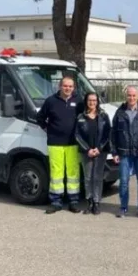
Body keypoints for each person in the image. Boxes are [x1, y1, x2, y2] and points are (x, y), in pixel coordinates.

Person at [36, 76, 81, 214]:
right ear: (60, 86)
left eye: (70, 86)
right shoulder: (51, 101)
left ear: (74, 88)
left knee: (73, 173)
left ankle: (73, 201)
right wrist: (48, 130)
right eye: (65, 86)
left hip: (73, 143)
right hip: (55, 143)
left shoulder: (79, 101)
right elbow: (40, 118)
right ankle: (56, 202)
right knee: (56, 173)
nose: (68, 88)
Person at [111, 86, 138, 219]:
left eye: (134, 95)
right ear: (126, 96)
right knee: (124, 182)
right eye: (129, 95)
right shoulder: (119, 112)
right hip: (124, 153)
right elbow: (113, 134)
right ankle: (123, 207)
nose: (131, 98)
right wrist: (114, 152)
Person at [75, 92, 112, 215]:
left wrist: (99, 149)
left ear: (97, 101)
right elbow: (77, 135)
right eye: (90, 100)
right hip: (86, 152)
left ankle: (96, 202)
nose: (92, 103)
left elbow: (108, 134)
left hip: (100, 152)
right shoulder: (80, 117)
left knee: (97, 177)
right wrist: (87, 149)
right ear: (86, 101)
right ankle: (89, 201)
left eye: (94, 100)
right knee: (88, 177)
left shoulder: (103, 116)